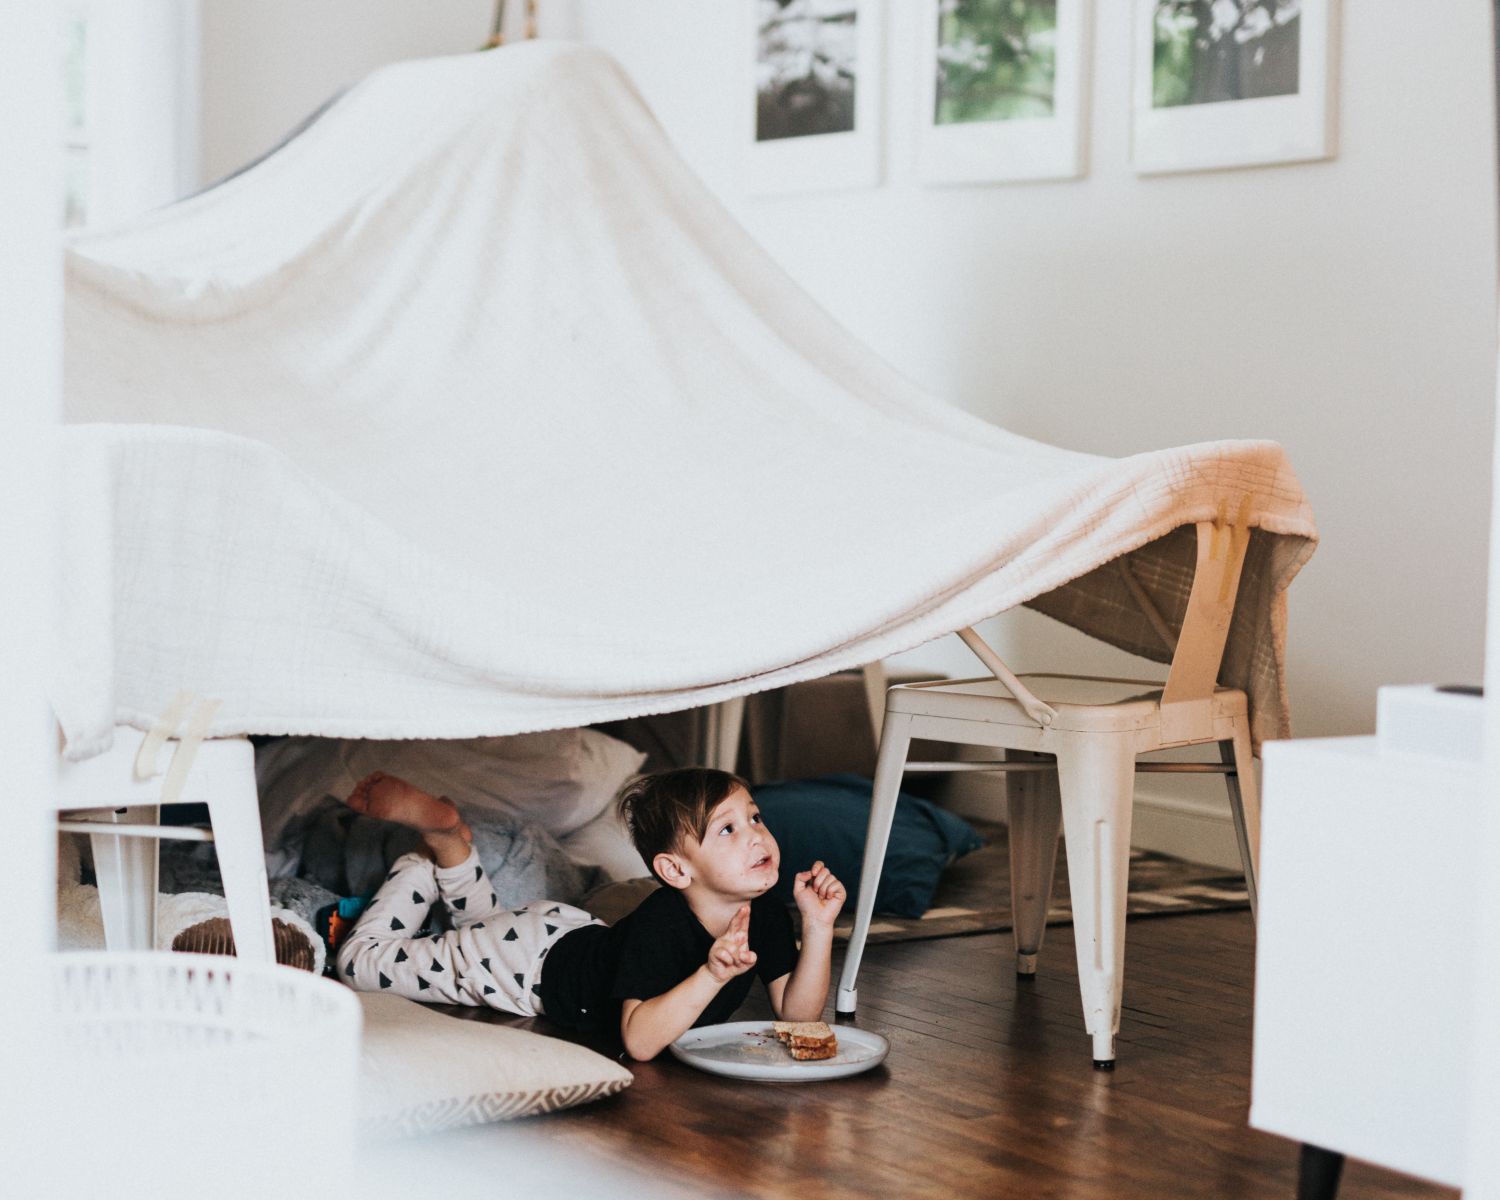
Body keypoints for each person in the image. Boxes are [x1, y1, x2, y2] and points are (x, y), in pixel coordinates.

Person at [335, 766, 846, 1060]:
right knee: (358, 964)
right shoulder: (661, 922)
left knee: (475, 931)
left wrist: (818, 927)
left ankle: (452, 846)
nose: (757, 833)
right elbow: (640, 1042)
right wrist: (713, 974)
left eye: (755, 816)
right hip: (528, 967)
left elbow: (799, 1018)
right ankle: (425, 861)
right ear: (675, 870)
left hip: (567, 932)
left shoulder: (768, 914)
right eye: (728, 829)